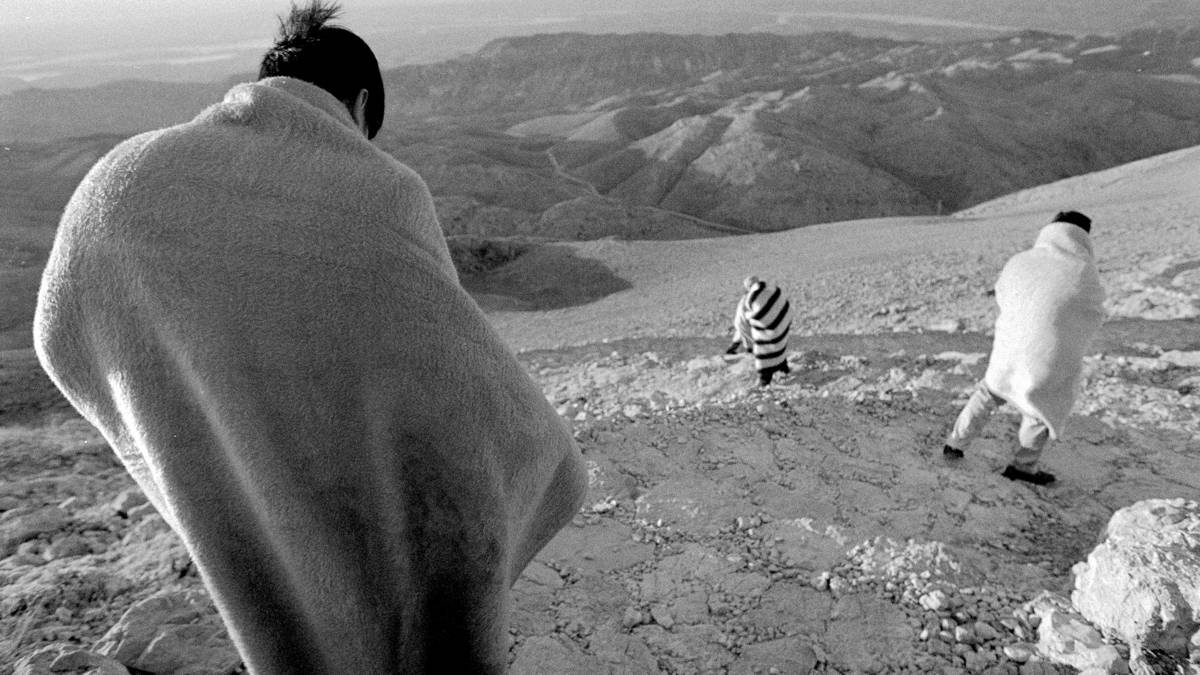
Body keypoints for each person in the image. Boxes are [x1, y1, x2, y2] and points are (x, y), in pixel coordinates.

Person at [33, 3, 587, 673]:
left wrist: (189, 411)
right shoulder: (386, 192)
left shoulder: (129, 170)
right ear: (355, 105)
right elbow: (443, 368)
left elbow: (61, 323)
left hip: (205, 449)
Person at [942, 210, 1106, 485]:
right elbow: (1091, 310)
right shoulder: (1082, 270)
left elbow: (1003, 292)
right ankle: (1022, 466)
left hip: (1010, 344)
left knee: (989, 391)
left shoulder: (1021, 260)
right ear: (1082, 237)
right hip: (1046, 354)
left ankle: (954, 443)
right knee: (1039, 407)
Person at [726, 275, 793, 386]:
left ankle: (767, 382)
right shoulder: (765, 294)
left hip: (762, 334)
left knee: (765, 358)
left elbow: (741, 323)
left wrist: (736, 344)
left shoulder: (751, 299)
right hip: (772, 334)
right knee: (774, 354)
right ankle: (780, 373)